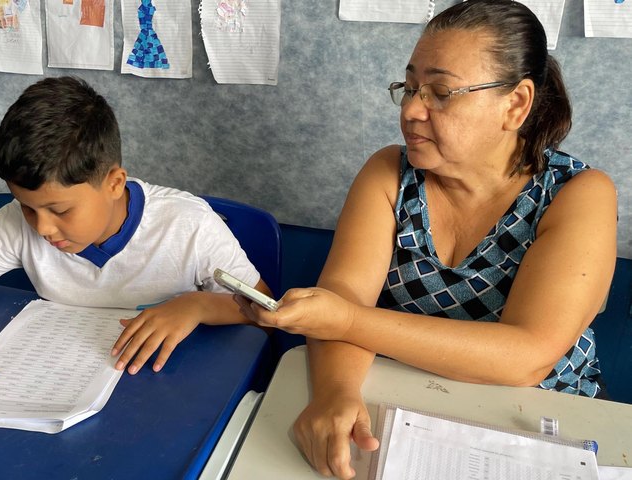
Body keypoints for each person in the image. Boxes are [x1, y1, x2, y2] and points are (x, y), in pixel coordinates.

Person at [236, 1, 617, 478]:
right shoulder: (390, 174)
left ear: (515, 104)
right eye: (411, 87)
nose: (413, 110)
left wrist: (348, 320)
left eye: (440, 92)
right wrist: (336, 395)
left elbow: (525, 357)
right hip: (407, 406)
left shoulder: (577, 194)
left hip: (541, 422)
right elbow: (344, 298)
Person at [0, 76, 271, 426]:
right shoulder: (18, 224)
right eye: (26, 206)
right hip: (68, 394)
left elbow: (266, 310)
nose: (40, 227)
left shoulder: (189, 226)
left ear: (114, 183)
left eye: (59, 210)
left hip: (166, 401)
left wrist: (198, 305)